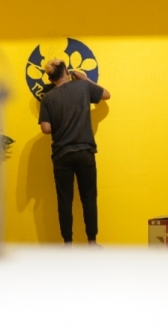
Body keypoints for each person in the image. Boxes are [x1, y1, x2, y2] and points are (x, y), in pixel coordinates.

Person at [38, 58, 110, 247]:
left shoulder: (48, 98)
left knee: (64, 200)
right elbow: (106, 95)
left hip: (61, 155)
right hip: (85, 150)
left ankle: (68, 245)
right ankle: (92, 242)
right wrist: (85, 78)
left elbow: (45, 128)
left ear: (51, 79)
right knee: (89, 198)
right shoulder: (83, 87)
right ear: (67, 71)